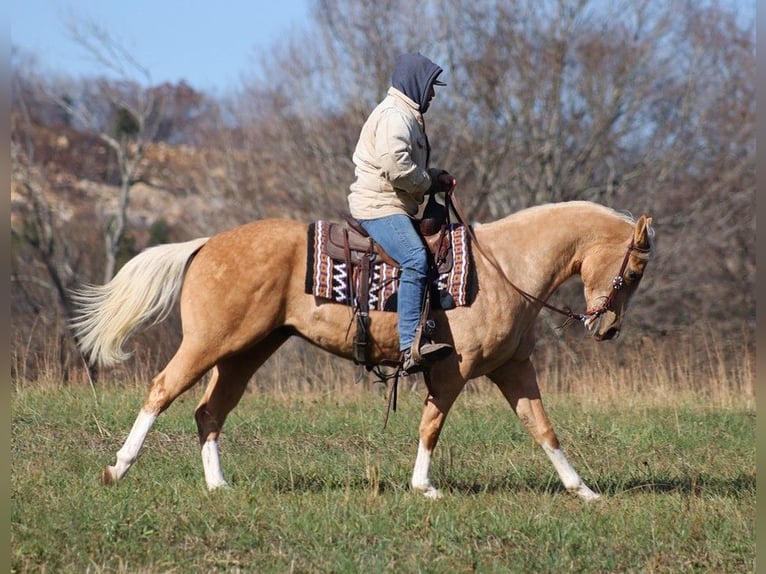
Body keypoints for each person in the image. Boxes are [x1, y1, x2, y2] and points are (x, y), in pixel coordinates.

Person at [348, 52, 454, 374]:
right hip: (379, 207)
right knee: (415, 259)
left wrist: (434, 177)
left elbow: (406, 166)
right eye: (431, 87)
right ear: (416, 84)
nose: (433, 94)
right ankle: (410, 346)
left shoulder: (406, 115)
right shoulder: (396, 115)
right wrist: (426, 182)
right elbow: (396, 167)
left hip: (391, 203)